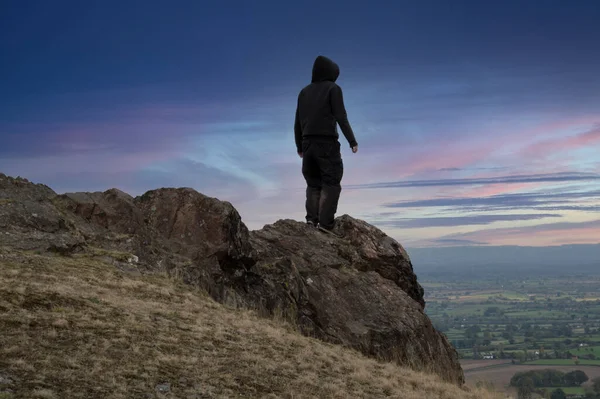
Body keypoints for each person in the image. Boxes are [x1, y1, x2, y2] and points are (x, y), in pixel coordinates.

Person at [294, 55, 358, 235]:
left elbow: (297, 121)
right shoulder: (333, 89)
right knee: (331, 182)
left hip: (307, 144)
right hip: (326, 143)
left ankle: (311, 221)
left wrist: (299, 145)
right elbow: (341, 116)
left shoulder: (304, 92)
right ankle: (325, 224)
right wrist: (352, 141)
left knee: (313, 183)